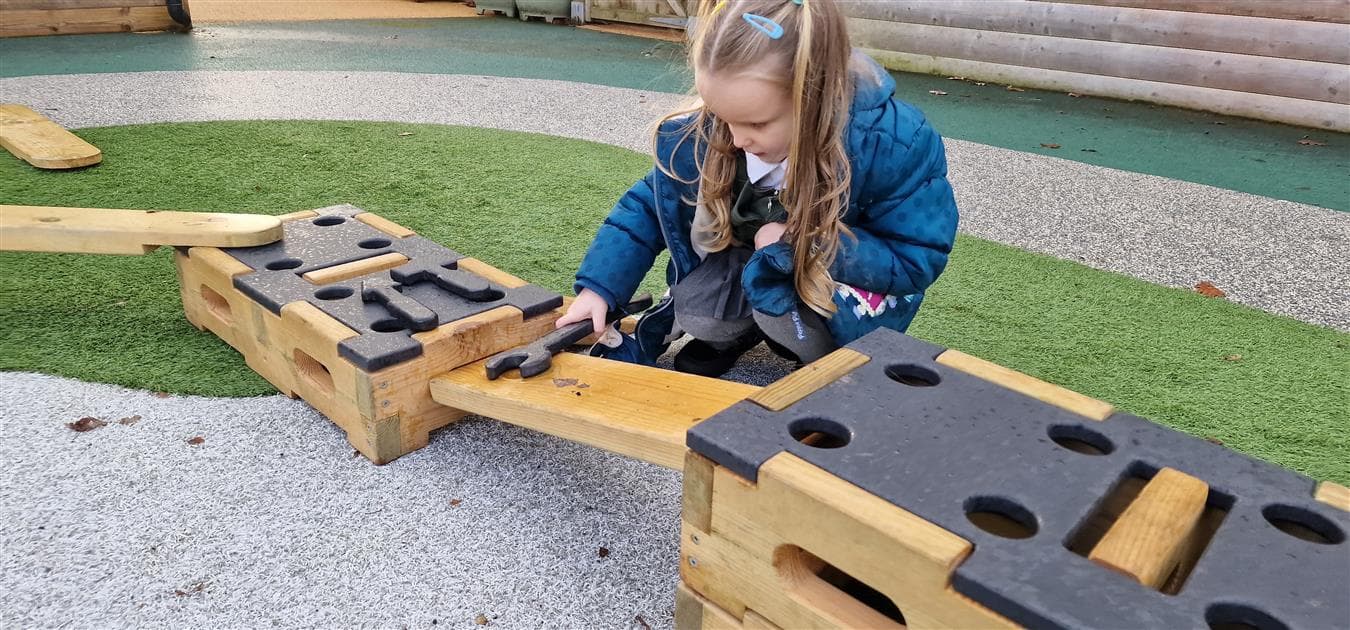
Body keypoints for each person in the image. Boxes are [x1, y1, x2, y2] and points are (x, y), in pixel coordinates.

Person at [556, 0, 958, 378]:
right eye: (722, 115)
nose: (735, 138)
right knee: (699, 313)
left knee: (796, 327)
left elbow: (914, 259)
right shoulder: (714, 129)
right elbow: (645, 208)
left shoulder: (891, 143)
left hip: (832, 279)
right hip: (747, 260)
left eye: (757, 124)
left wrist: (804, 242)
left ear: (814, 97)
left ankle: (814, 356)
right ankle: (736, 331)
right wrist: (599, 289)